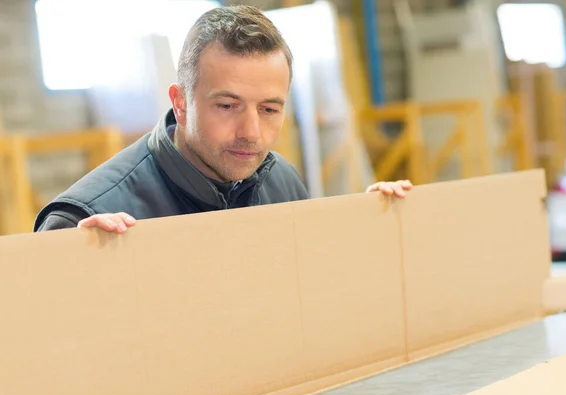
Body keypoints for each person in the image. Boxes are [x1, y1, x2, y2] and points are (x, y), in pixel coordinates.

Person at [34, 5, 413, 234]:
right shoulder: (85, 218)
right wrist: (78, 269)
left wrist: (366, 233)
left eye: (269, 109)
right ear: (180, 103)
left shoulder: (281, 181)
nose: (251, 133)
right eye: (227, 106)